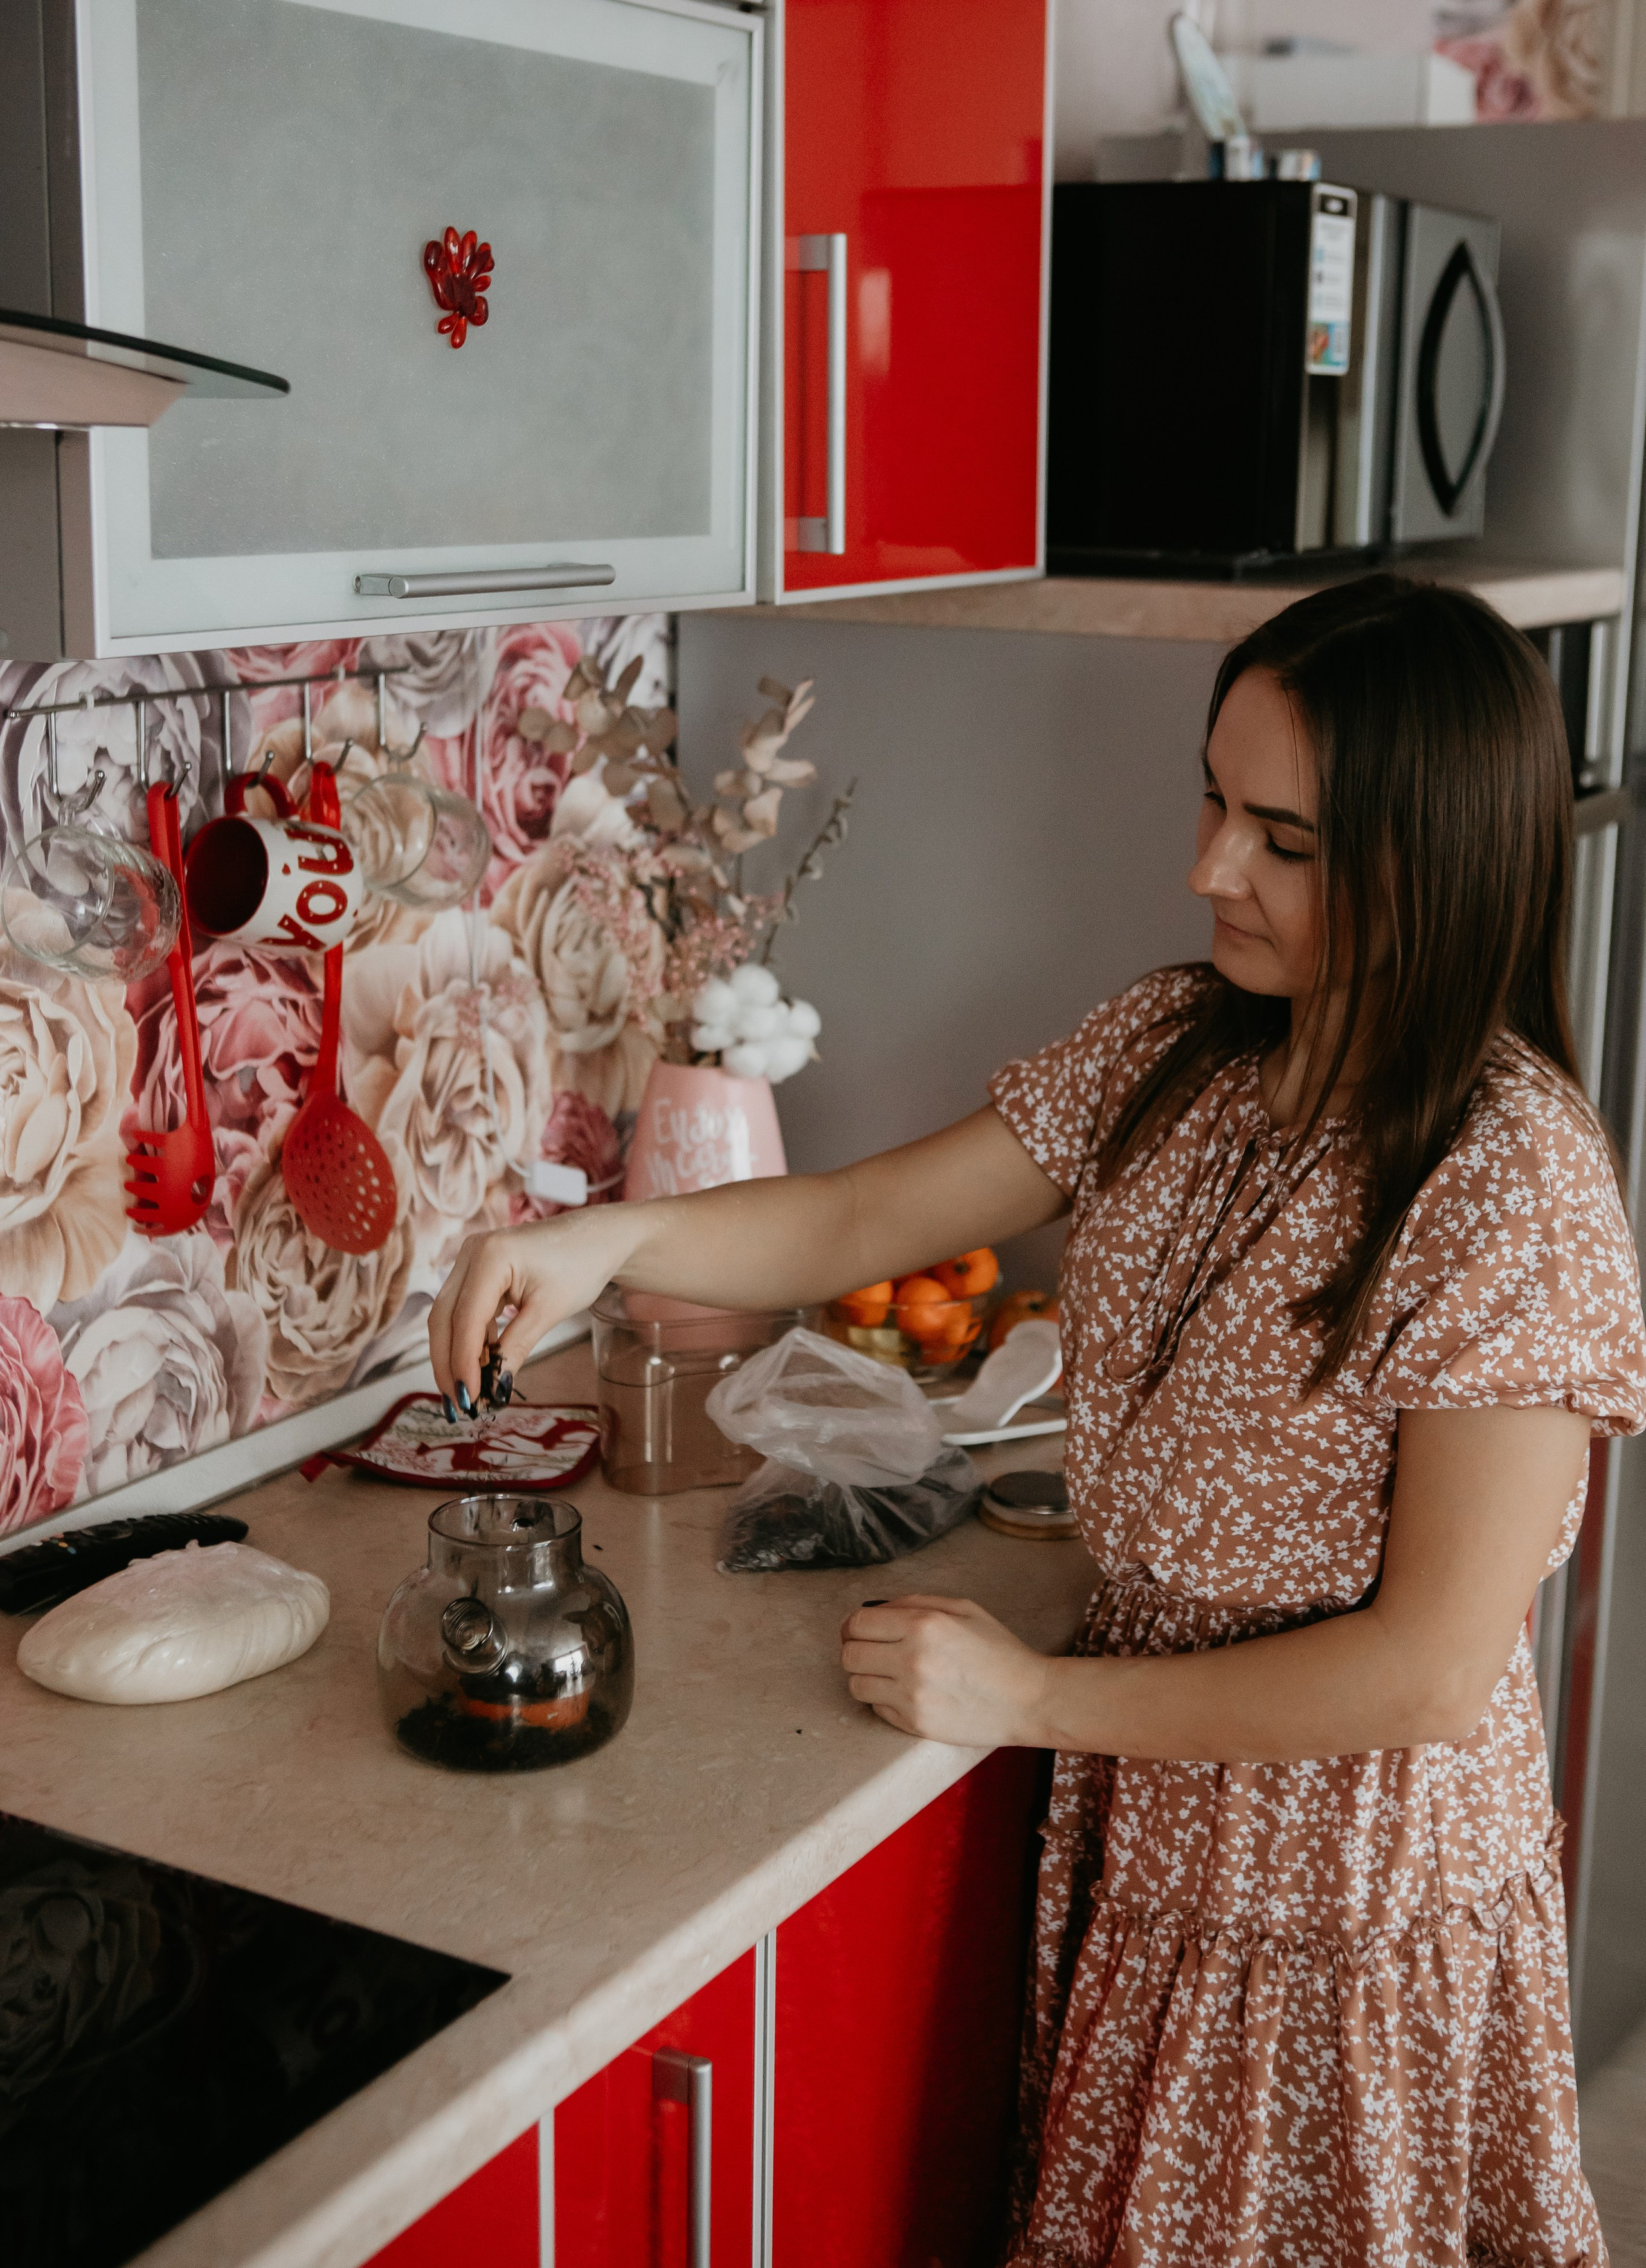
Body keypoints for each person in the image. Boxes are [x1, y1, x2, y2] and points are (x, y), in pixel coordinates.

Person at [430, 575, 1646, 2265]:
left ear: (1432, 862)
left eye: (1284, 842)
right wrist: (605, 1238)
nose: (1210, 866)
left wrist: (1027, 1697)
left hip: (1343, 1908)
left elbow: (1429, 1667)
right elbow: (861, 1223)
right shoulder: (1173, 1048)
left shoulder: (1513, 1183)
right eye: (1215, 800)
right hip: (1162, 1842)